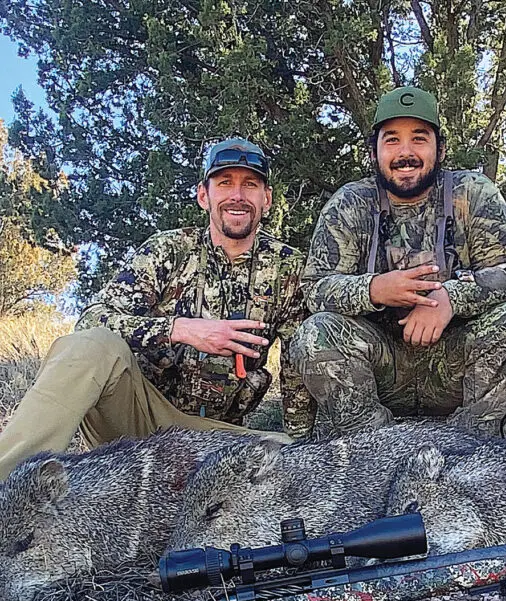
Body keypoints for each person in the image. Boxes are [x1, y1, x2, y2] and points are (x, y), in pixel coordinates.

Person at [0, 138, 308, 480]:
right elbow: (92, 318)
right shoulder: (168, 250)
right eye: (225, 183)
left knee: (290, 454)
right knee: (89, 345)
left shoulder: (289, 268)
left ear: (266, 199)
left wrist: (303, 438)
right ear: (204, 196)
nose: (237, 195)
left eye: (249, 184)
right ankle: (8, 482)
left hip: (214, 440)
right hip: (138, 419)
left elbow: (297, 367)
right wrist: (181, 330)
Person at [289, 86, 506, 437]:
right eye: (392, 140)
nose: (405, 152)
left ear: (440, 149)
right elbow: (316, 287)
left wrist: (449, 299)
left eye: (419, 138)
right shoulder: (350, 203)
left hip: (454, 361)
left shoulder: (473, 193)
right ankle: (369, 450)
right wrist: (374, 290)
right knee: (316, 332)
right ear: (374, 152)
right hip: (381, 365)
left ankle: (474, 451)